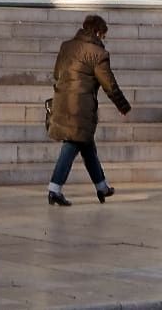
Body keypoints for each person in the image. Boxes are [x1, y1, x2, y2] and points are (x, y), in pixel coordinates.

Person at [44, 13, 131, 205]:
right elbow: (109, 84)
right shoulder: (98, 54)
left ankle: (102, 187)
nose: (103, 39)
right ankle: (54, 188)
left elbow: (57, 73)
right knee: (72, 144)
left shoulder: (66, 46)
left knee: (87, 146)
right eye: (104, 35)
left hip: (62, 100)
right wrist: (122, 106)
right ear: (98, 33)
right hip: (80, 107)